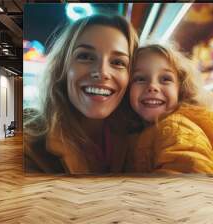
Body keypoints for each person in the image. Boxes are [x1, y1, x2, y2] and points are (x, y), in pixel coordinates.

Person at [24, 14, 138, 174]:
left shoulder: (143, 136)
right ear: (62, 68)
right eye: (85, 56)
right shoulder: (27, 144)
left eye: (118, 62)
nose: (102, 72)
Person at [127, 43, 213, 174]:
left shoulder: (177, 129)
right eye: (140, 78)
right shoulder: (144, 128)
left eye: (165, 79)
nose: (152, 86)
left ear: (181, 90)